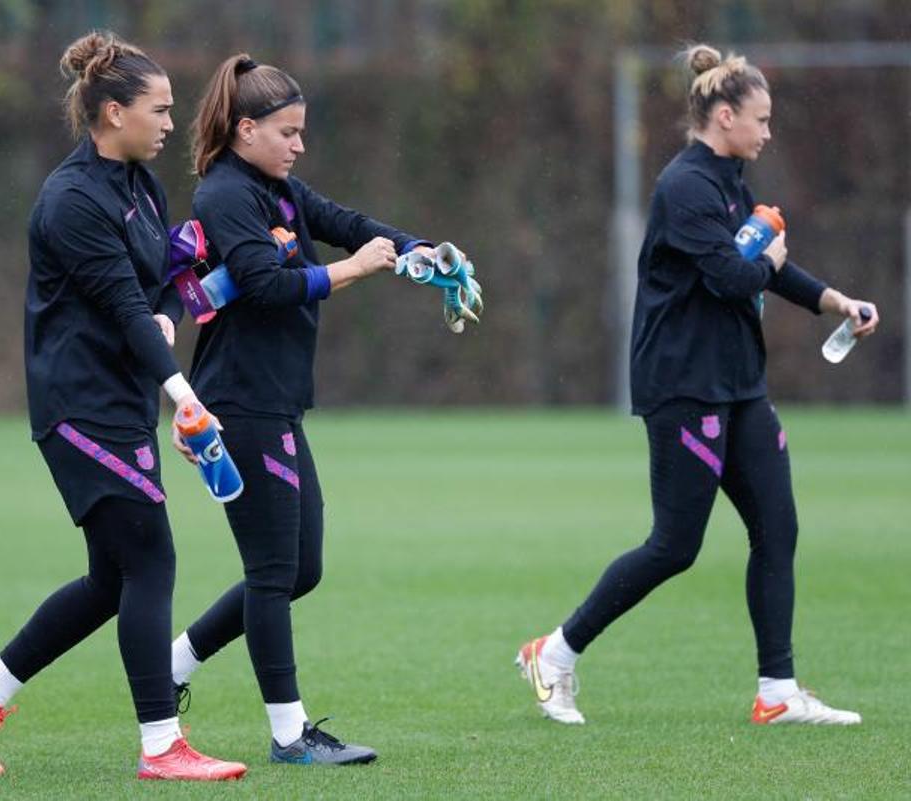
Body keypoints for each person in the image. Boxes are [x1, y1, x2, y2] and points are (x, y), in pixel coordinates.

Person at [516, 43, 879, 727]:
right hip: (683, 384)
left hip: (739, 382)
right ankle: (555, 651)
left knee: (778, 526)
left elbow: (767, 268)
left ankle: (777, 690)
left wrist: (836, 300)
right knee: (674, 544)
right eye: (761, 118)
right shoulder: (684, 187)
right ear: (723, 114)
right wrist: (768, 255)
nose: (768, 131)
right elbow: (734, 276)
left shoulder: (731, 179)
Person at [0, 31, 246, 782]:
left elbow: (155, 287)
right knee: (152, 557)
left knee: (114, 580)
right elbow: (118, 307)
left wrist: (174, 307)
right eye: (161, 109)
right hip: (78, 407)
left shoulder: (142, 186)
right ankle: (161, 747)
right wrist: (186, 399)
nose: (173, 123)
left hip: (119, 400)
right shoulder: (71, 199)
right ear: (113, 112)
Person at [167, 53, 435, 765]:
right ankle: (290, 734)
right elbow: (263, 285)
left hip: (278, 402)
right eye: (287, 132)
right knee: (271, 570)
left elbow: (343, 220)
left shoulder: (277, 187)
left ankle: (176, 663)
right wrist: (356, 268)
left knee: (300, 567)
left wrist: (420, 251)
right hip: (239, 404)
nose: (298, 145)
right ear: (246, 128)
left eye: (302, 131)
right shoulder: (225, 194)